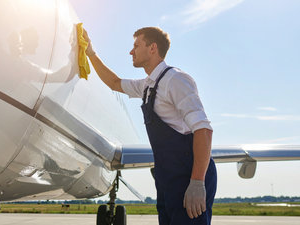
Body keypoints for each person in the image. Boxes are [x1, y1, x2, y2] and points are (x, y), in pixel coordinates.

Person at [83, 27, 217, 225]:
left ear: (152, 48)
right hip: (167, 176)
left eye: (136, 45)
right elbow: (114, 82)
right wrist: (90, 53)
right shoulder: (148, 86)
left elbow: (203, 130)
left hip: (188, 174)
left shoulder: (176, 80)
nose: (131, 51)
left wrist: (197, 182)